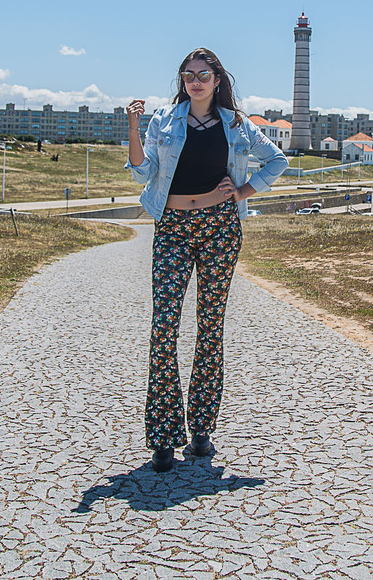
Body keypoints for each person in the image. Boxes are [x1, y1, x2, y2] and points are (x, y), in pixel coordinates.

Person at [126, 47, 288, 472]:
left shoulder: (236, 123)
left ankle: (201, 429)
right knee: (164, 327)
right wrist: (134, 127)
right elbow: (142, 172)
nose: (195, 81)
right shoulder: (164, 119)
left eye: (203, 75)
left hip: (220, 228)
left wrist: (243, 192)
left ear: (217, 80)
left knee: (210, 327)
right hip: (173, 228)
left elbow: (277, 160)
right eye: (188, 75)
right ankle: (163, 434)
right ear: (182, 80)